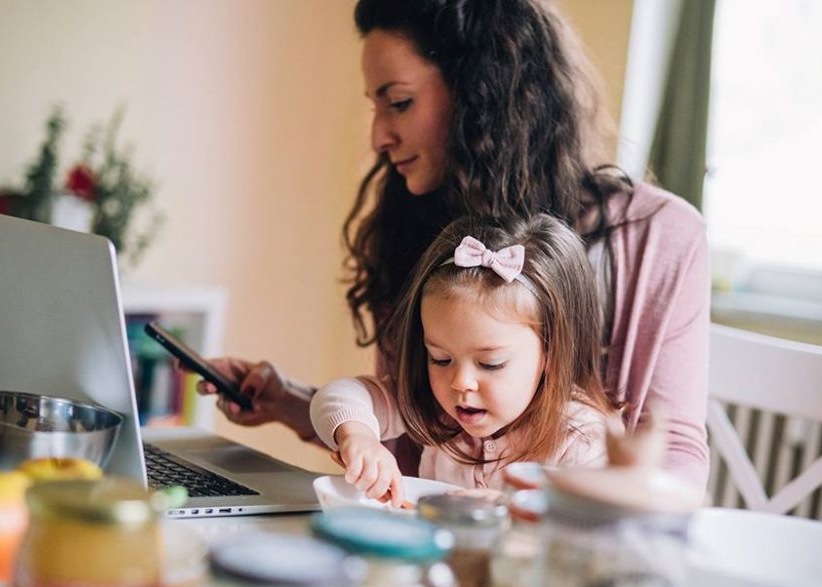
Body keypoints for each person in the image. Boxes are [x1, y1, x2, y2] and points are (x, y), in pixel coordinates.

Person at [199, 0, 711, 491]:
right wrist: (287, 400)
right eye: (376, 108)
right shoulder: (420, 232)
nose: (378, 136)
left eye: (399, 103)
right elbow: (413, 433)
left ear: (478, 91)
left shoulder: (659, 237)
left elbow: (673, 457)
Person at [310, 214, 616, 503]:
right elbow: (337, 397)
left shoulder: (581, 438)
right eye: (440, 359)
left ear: (552, 352)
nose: (460, 383)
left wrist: (507, 508)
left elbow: (592, 528)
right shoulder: (437, 409)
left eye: (490, 364)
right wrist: (358, 436)